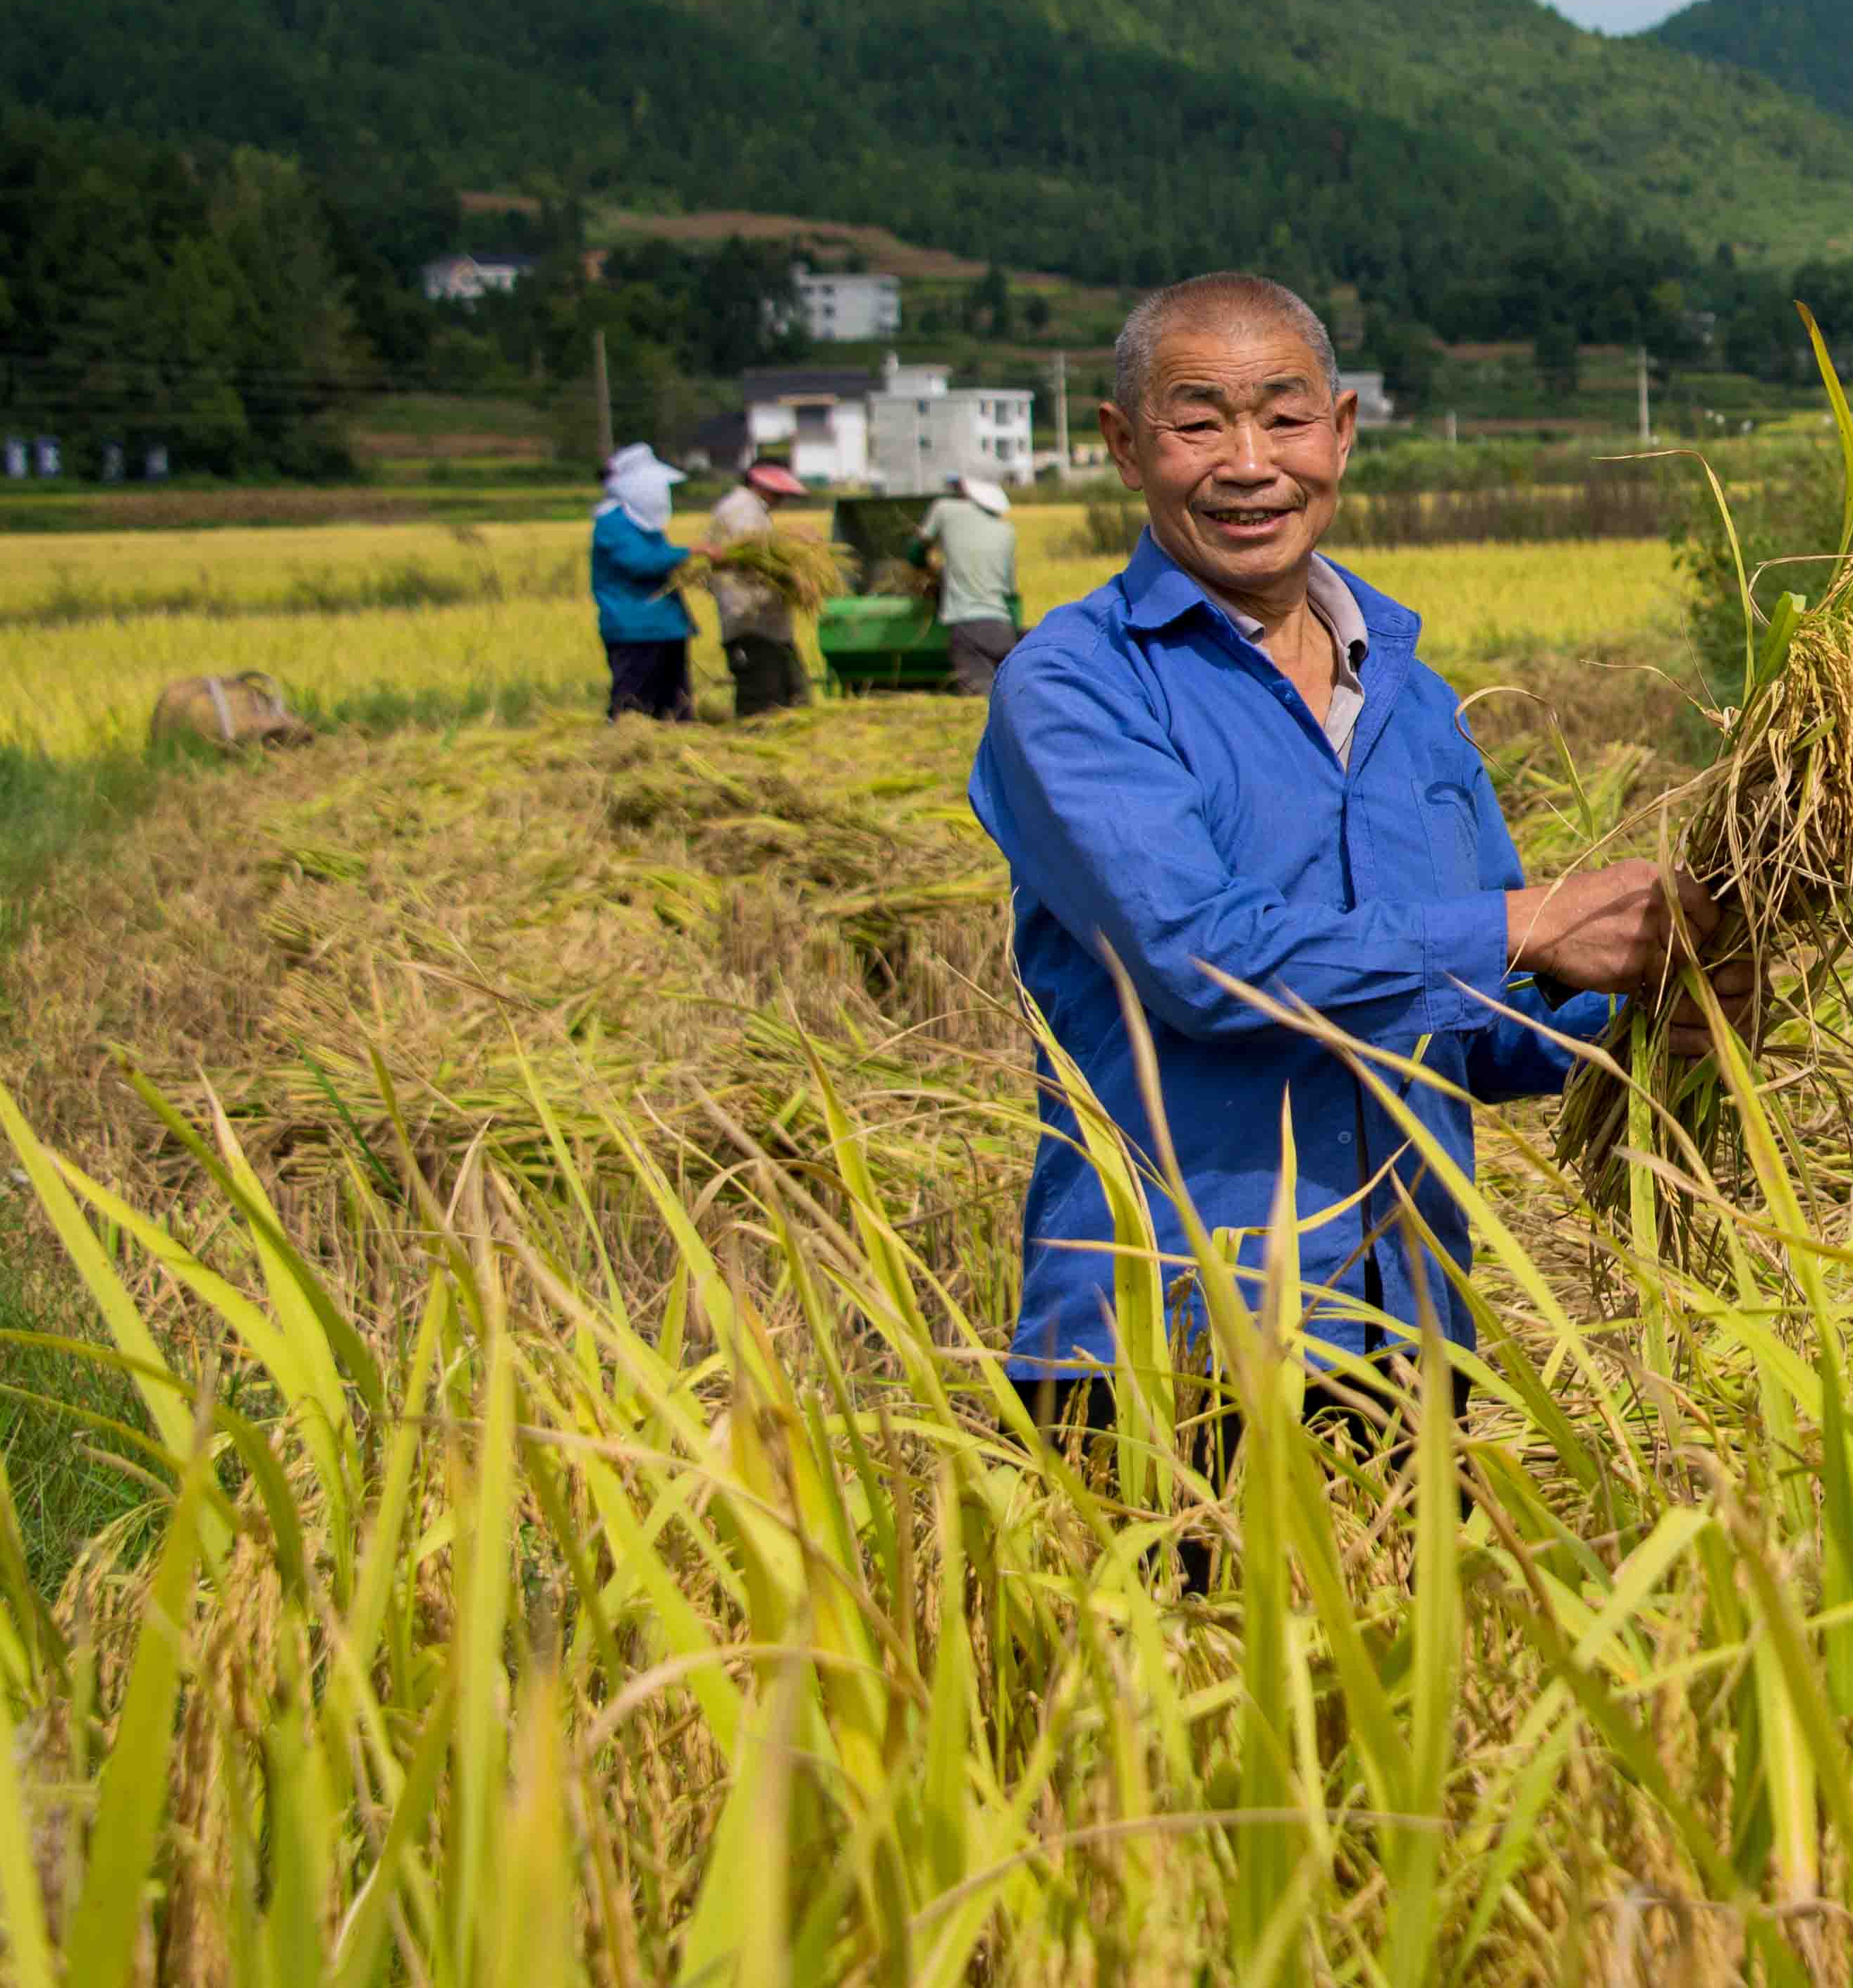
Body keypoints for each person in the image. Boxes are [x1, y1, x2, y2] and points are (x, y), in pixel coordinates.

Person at [969, 271, 1743, 1462]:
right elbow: (1200, 958)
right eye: (1196, 421)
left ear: (1339, 431)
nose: (1246, 462)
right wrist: (1530, 926)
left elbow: (1474, 1026)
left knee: (1427, 1655)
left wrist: (1638, 1012)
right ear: (1125, 445)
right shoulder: (1075, 686)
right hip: (1165, 1349)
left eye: (1283, 418)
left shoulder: (1412, 702)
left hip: (1408, 1330)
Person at [587, 442, 698, 722]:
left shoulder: (647, 528)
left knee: (675, 707)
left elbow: (659, 561)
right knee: (634, 709)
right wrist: (690, 553)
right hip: (634, 630)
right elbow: (641, 563)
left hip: (667, 627)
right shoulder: (612, 523)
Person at [704, 460, 812, 719]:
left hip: (769, 623)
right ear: (758, 485)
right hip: (750, 621)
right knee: (763, 704)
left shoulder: (753, 510)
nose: (781, 499)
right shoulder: (740, 510)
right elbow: (759, 555)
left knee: (793, 697)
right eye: (778, 493)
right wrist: (794, 565)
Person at [916, 472, 1025, 694]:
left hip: (968, 628)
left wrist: (925, 571)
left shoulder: (944, 509)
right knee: (1005, 693)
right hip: (1002, 629)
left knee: (978, 695)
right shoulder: (1007, 530)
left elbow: (915, 552)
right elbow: (1009, 591)